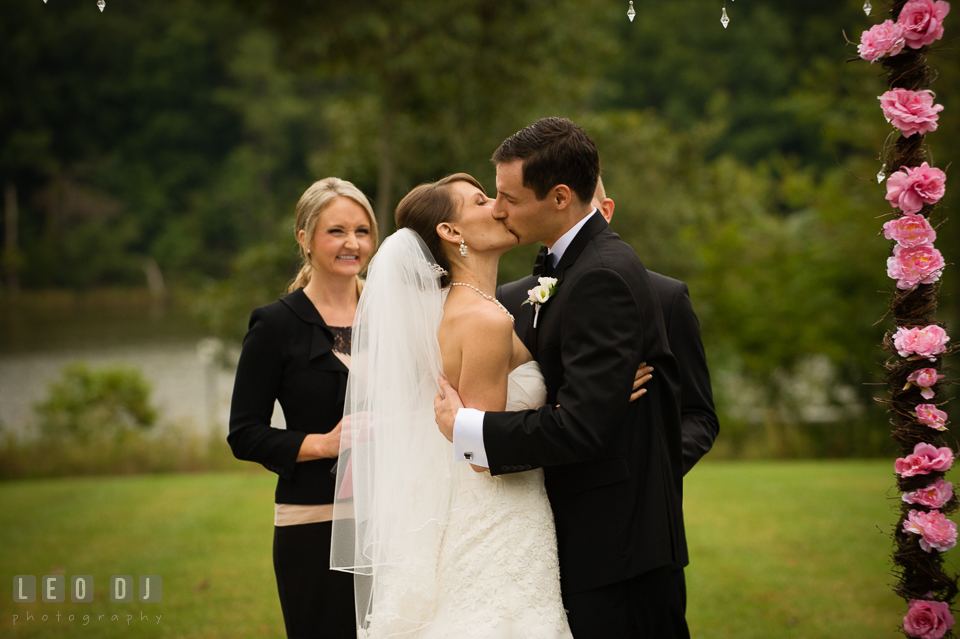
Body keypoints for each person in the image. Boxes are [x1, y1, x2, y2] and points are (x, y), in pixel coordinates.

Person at [329, 174, 651, 639]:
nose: (499, 207)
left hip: (467, 506)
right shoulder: (484, 318)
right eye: (482, 201)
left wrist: (598, 385)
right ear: (452, 233)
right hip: (498, 517)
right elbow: (482, 451)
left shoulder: (451, 307)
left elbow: (499, 397)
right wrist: (604, 401)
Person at [435, 117, 690, 638]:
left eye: (508, 196)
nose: (498, 208)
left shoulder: (599, 275)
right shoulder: (566, 268)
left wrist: (469, 428)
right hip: (593, 542)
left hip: (616, 550)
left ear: (558, 197)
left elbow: (582, 428)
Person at [497, 175, 720, 613]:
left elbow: (698, 414)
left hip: (631, 532)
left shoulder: (666, 297)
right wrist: (589, 406)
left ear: (605, 211)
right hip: (532, 516)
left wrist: (650, 466)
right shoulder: (509, 301)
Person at [228, 177, 378, 639]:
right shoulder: (274, 325)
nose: (352, 243)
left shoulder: (390, 314)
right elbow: (244, 432)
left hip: (391, 521)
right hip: (313, 525)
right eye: (336, 231)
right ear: (304, 238)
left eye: (362, 231)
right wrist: (323, 444)